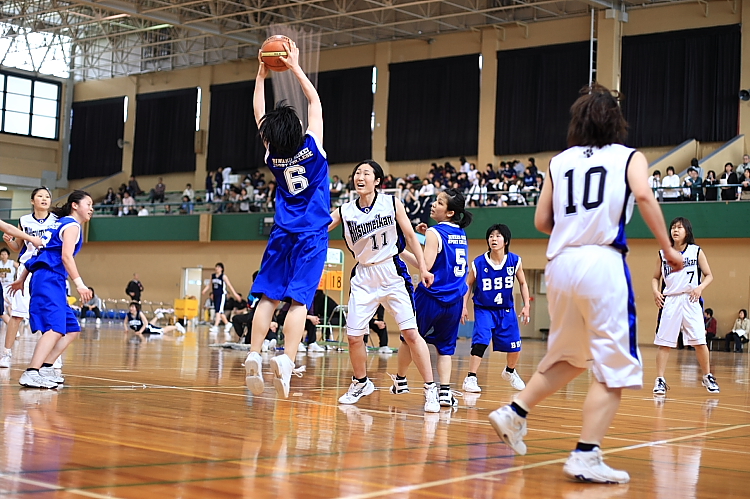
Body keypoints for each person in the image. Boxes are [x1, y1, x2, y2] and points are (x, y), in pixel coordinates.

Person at [488, 84, 683, 484]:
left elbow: (542, 222)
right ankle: (586, 454)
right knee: (614, 368)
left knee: (570, 357)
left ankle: (514, 411)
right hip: (601, 261)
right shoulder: (629, 157)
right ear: (616, 121)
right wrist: (669, 249)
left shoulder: (559, 162)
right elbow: (644, 196)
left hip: (560, 264)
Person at [243, 40, 332, 399]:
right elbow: (315, 102)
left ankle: (253, 352)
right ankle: (287, 358)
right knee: (298, 301)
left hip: (281, 231)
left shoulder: (271, 154)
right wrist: (294, 67)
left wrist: (261, 75)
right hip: (312, 233)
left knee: (268, 296)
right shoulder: (313, 145)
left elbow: (258, 111)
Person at [330, 160, 439, 411]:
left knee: (411, 334)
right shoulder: (345, 210)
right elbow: (320, 227)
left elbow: (411, 236)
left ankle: (430, 389)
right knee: (354, 337)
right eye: (357, 172)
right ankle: (361, 382)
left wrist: (422, 267)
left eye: (366, 173)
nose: (360, 176)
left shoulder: (391, 203)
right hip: (363, 275)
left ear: (377, 180)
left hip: (392, 272)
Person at [396, 189, 472, 408]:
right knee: (445, 348)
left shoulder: (434, 232)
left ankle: (401, 380)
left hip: (431, 296)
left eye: (439, 202)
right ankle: (446, 392)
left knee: (409, 338)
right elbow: (441, 254)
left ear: (449, 212)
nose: (433, 204)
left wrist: (399, 250)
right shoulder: (460, 232)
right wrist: (425, 235)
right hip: (455, 299)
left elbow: (425, 266)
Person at [12, 191, 95, 388]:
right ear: (75, 205)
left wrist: (22, 278)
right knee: (54, 328)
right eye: (88, 204)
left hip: (48, 278)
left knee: (71, 329)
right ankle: (32, 371)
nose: (91, 208)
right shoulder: (72, 226)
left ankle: (47, 367)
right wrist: (80, 284)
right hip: (49, 278)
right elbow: (66, 256)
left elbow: (39, 254)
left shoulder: (58, 224)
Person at [652, 217, 719, 394]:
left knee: (699, 341)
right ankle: (659, 380)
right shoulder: (663, 253)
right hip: (671, 300)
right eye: (673, 227)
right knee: (664, 342)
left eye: (679, 228)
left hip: (691, 299)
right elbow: (655, 277)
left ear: (687, 231)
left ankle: (707, 376)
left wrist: (700, 288)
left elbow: (709, 275)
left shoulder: (696, 251)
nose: (675, 230)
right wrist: (656, 291)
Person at [461, 224, 530, 394]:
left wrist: (526, 305)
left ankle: (510, 372)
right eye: (491, 236)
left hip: (506, 310)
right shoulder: (479, 262)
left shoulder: (515, 261)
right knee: (481, 340)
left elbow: (522, 283)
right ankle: (471, 377)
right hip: (484, 309)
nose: (494, 239)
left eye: (498, 236)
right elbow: (468, 284)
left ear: (505, 241)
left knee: (515, 347)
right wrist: (463, 306)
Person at [0, 187, 57, 370]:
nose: (44, 199)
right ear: (32, 201)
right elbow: (18, 247)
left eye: (47, 196)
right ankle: (6, 353)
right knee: (17, 314)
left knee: (49, 313)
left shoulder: (57, 221)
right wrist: (9, 241)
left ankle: (52, 356)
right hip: (26, 269)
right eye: (40, 196)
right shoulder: (24, 220)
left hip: (48, 269)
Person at [201, 263, 241, 334]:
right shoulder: (212, 276)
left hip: (221, 295)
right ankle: (227, 324)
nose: (217, 268)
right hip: (215, 295)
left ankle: (216, 326)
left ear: (222, 269)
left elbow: (229, 285)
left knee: (218, 311)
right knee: (220, 311)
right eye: (216, 267)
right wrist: (204, 290)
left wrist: (235, 294)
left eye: (218, 267)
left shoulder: (223, 277)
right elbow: (210, 285)